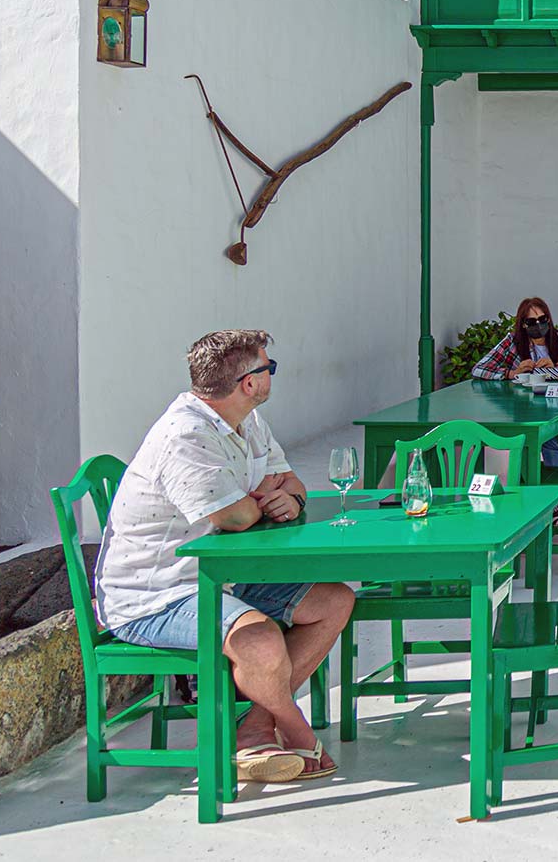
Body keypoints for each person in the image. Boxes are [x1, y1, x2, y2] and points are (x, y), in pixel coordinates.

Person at [93, 330, 354, 785]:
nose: (272, 373)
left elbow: (291, 484)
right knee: (261, 639)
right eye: (267, 367)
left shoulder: (247, 422)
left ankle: (254, 725)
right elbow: (233, 518)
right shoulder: (185, 435)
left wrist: (286, 500)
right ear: (249, 383)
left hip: (221, 576)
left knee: (334, 601)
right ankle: (293, 727)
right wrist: (257, 501)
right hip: (157, 594)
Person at [471, 296, 558, 381]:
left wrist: (554, 371)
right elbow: (478, 369)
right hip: (522, 400)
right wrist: (512, 373)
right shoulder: (512, 341)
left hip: (557, 401)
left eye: (542, 319)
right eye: (531, 322)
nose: (538, 324)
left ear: (548, 319)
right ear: (523, 324)